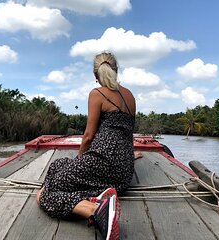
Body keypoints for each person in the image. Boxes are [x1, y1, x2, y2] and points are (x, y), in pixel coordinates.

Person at [36, 51, 137, 240]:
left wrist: (80, 158)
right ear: (116, 70)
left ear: (95, 75)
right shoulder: (130, 96)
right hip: (124, 174)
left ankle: (96, 209)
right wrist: (131, 156)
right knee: (57, 166)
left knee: (44, 195)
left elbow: (89, 136)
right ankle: (97, 199)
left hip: (102, 161)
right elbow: (127, 134)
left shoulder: (97, 93)